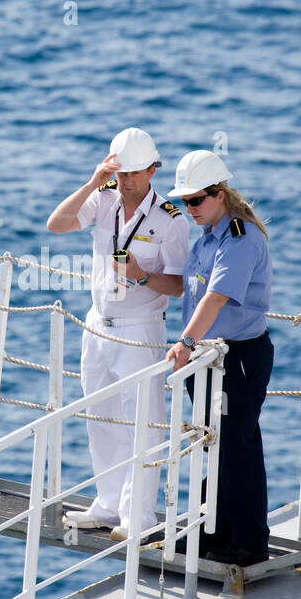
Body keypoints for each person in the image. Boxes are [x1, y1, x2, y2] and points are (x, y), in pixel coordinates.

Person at [46, 128, 190, 540]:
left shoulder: (168, 218)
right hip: (97, 326)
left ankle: (138, 517)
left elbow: (180, 284)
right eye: (119, 172)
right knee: (101, 418)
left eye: (133, 173)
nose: (125, 181)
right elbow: (56, 224)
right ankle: (109, 505)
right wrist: (93, 181)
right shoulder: (102, 197)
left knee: (142, 424)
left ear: (151, 171)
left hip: (139, 329)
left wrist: (141, 276)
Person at [164, 150, 274, 566]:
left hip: (237, 359)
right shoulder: (210, 236)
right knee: (223, 447)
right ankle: (215, 532)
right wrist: (138, 276)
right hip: (213, 359)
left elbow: (216, 296)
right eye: (183, 202)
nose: (189, 209)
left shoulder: (240, 238)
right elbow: (189, 289)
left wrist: (186, 342)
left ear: (219, 193)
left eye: (196, 200)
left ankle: (248, 543)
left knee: (238, 447)